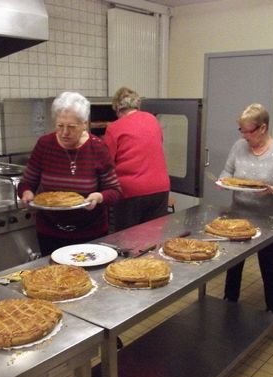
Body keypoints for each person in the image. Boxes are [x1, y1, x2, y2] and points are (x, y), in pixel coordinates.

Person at [218, 103, 273, 314]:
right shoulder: (239, 146)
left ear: (263, 128)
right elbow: (227, 172)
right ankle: (229, 301)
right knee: (234, 261)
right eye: (241, 130)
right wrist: (222, 182)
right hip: (239, 215)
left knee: (269, 263)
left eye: (248, 131)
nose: (244, 136)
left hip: (272, 219)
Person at [19, 91, 122, 257]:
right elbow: (27, 182)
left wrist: (99, 197)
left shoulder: (97, 148)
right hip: (50, 233)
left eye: (71, 127)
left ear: (84, 124)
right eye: (60, 126)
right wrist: (26, 192)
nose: (64, 132)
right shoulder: (45, 145)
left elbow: (115, 191)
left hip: (90, 234)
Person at [103, 87, 170, 231]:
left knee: (128, 238)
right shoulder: (152, 119)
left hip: (131, 192)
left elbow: (107, 162)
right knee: (153, 236)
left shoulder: (114, 127)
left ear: (117, 109)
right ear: (137, 105)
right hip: (160, 187)